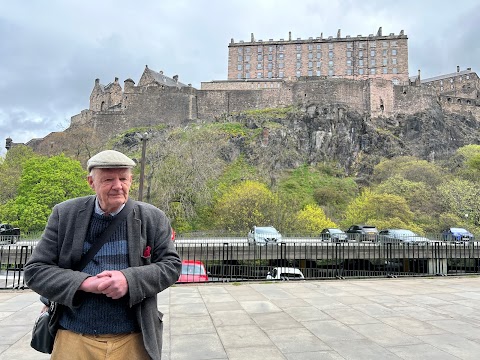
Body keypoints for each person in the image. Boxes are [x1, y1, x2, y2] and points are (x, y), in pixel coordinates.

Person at [25, 149, 182, 360]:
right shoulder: (65, 214)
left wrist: (129, 279)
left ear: (131, 180)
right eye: (108, 179)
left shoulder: (152, 217)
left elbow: (171, 266)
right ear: (91, 182)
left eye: (123, 179)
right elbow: (36, 271)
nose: (118, 186)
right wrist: (85, 283)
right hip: (74, 338)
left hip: (134, 339)